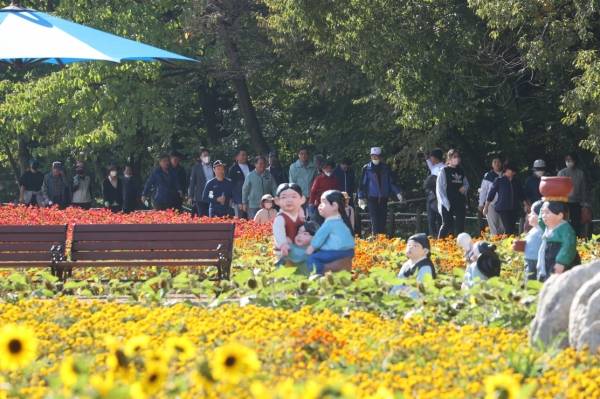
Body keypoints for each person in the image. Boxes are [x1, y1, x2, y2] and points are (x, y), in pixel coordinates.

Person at [306, 190, 355, 274]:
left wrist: (309, 250)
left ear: (334, 206)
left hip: (337, 251)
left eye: (323, 202)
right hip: (349, 251)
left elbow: (318, 239)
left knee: (312, 258)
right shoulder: (342, 221)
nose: (319, 205)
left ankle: (318, 274)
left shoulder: (330, 223)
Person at [357, 147, 403, 236]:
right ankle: (376, 238)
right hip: (372, 198)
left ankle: (381, 238)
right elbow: (362, 184)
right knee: (374, 220)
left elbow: (391, 182)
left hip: (383, 198)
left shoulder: (386, 169)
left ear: (380, 156)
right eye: (372, 156)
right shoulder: (367, 169)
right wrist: (360, 197)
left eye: (376, 156)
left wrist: (398, 193)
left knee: (382, 220)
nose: (374, 158)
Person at [483, 160, 529, 236]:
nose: (514, 173)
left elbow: (521, 195)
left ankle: (506, 243)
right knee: (507, 228)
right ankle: (505, 243)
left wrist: (526, 205)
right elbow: (491, 194)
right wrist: (486, 207)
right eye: (513, 171)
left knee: (511, 228)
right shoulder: (499, 180)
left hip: (514, 207)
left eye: (515, 171)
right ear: (507, 170)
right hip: (503, 208)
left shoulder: (516, 181)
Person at [537, 201, 581, 282]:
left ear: (560, 215)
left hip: (560, 258)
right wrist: (546, 200)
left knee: (556, 280)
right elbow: (540, 221)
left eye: (547, 212)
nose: (544, 216)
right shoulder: (548, 227)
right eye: (543, 213)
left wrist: (561, 262)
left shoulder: (565, 228)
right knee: (546, 280)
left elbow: (569, 245)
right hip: (548, 258)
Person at [436, 149, 468, 239]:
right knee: (447, 223)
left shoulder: (461, 171)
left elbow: (466, 184)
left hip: (460, 201)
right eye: (454, 157)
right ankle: (440, 242)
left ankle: (460, 244)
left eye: (458, 157)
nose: (456, 159)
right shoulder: (444, 171)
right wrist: (445, 201)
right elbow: (440, 188)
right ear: (449, 158)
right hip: (447, 201)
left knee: (460, 223)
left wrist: (465, 188)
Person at [273, 183, 306, 259]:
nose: (289, 200)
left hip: (297, 249)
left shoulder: (300, 216)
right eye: (284, 197)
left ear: (302, 200)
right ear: (277, 201)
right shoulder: (280, 218)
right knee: (284, 268)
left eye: (294, 197)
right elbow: (278, 233)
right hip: (283, 251)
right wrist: (283, 244)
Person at [557, 152, 586, 237]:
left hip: (577, 202)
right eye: (566, 160)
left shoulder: (580, 173)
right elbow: (558, 189)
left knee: (576, 224)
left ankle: (577, 241)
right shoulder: (562, 173)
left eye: (570, 160)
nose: (568, 161)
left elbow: (583, 189)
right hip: (564, 202)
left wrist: (584, 203)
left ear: (575, 160)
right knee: (563, 223)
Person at [478, 155, 504, 236]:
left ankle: (501, 243)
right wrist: (481, 204)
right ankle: (494, 244)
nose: (497, 164)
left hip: (503, 204)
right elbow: (483, 191)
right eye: (495, 162)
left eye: (499, 162)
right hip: (491, 204)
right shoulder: (488, 175)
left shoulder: (505, 174)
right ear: (492, 164)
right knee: (493, 227)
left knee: (502, 227)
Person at [289, 145, 318, 218]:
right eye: (301, 154)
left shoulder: (313, 166)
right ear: (298, 154)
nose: (303, 155)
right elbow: (292, 183)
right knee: (300, 217)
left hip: (311, 196)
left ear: (308, 155)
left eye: (305, 153)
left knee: (313, 216)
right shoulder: (294, 166)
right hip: (299, 196)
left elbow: (316, 181)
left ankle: (312, 230)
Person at [421, 149, 444, 237]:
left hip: (439, 197)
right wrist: (427, 159)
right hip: (430, 196)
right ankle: (432, 237)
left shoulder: (443, 168)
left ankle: (441, 237)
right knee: (431, 219)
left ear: (434, 157)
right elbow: (430, 166)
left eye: (431, 157)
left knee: (440, 219)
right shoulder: (434, 167)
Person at [309, 160, 341, 224]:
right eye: (326, 167)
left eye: (330, 167)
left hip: (332, 204)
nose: (328, 169)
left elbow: (338, 191)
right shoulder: (318, 179)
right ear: (323, 169)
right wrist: (311, 203)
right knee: (321, 223)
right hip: (321, 204)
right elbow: (313, 191)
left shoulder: (335, 179)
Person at [520, 201, 544, 282]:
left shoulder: (542, 231)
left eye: (532, 213)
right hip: (529, 259)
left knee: (530, 280)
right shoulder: (534, 229)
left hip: (535, 260)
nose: (529, 215)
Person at [228, 148, 254, 220]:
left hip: (251, 198)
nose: (245, 157)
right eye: (243, 155)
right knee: (239, 219)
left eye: (246, 155)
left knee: (252, 219)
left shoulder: (252, 167)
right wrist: (231, 197)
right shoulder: (233, 169)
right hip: (239, 198)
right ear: (237, 157)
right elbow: (230, 184)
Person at [523, 159, 548, 233]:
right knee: (528, 226)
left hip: (546, 207)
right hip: (532, 207)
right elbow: (525, 195)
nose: (540, 171)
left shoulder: (548, 179)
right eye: (538, 170)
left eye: (542, 170)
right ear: (534, 170)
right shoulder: (529, 180)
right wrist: (527, 206)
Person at [188, 148, 214, 218]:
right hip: (200, 196)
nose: (206, 157)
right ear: (200, 157)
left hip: (212, 195)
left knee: (212, 215)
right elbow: (192, 182)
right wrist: (191, 196)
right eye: (204, 155)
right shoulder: (196, 168)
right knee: (202, 216)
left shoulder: (214, 167)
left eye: (208, 155)